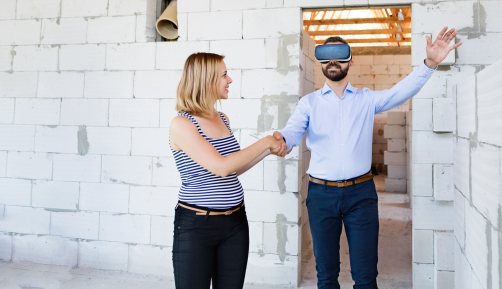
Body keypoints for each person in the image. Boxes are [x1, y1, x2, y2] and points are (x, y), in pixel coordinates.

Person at [274, 28, 462, 289]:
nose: (333, 61)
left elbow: (401, 91)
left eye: (339, 55)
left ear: (350, 61)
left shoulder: (367, 100)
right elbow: (292, 130)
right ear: (321, 61)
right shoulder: (309, 104)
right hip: (321, 195)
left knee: (365, 277)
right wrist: (283, 139)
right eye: (327, 56)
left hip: (360, 195)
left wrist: (429, 64)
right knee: (326, 276)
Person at [169, 52, 287, 289]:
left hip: (235, 224)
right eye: (224, 75)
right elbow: (221, 167)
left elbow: (233, 167)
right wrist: (264, 142)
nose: (230, 79)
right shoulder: (182, 124)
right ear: (206, 80)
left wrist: (269, 151)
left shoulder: (222, 118)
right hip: (196, 227)